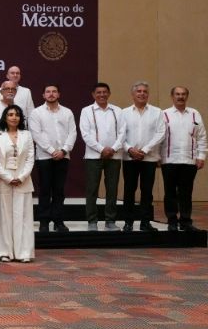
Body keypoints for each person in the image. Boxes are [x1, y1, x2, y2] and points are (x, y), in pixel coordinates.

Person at [28, 85, 77, 233]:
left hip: (63, 155)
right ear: (43, 95)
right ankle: (43, 221)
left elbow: (72, 133)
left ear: (59, 94)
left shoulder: (67, 112)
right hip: (44, 157)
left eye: (54, 91)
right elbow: (36, 134)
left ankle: (58, 221)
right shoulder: (36, 113)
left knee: (59, 190)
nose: (51, 94)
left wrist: (63, 150)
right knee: (44, 190)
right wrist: (51, 150)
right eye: (48, 92)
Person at [0, 105, 35, 262]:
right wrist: (8, 177)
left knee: (23, 216)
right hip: (3, 179)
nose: (14, 117)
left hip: (23, 179)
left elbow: (30, 158)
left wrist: (21, 177)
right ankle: (4, 251)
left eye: (17, 114)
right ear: (5, 117)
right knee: (4, 216)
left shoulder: (27, 135)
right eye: (10, 114)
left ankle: (24, 253)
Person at [120, 81, 165, 232]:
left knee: (147, 192)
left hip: (149, 158)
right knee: (129, 190)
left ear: (148, 94)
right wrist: (130, 149)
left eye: (145, 91)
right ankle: (128, 223)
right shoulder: (124, 113)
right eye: (138, 91)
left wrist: (144, 150)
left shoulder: (157, 112)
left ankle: (145, 222)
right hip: (129, 157)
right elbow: (120, 135)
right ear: (133, 94)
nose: (142, 93)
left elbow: (161, 133)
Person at [161, 86, 207, 232]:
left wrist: (201, 156)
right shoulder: (164, 114)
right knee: (170, 193)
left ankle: (186, 221)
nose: (180, 97)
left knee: (186, 193)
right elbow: (159, 137)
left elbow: (202, 137)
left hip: (189, 160)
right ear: (172, 96)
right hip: (169, 160)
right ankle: (172, 221)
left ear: (187, 96)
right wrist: (157, 157)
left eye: (183, 94)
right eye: (177, 94)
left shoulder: (195, 114)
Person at [79, 82, 125, 231]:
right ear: (93, 94)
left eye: (105, 92)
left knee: (112, 189)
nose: (102, 95)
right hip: (93, 156)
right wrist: (101, 149)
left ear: (109, 93)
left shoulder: (117, 111)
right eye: (98, 92)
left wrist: (113, 148)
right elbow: (85, 134)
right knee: (92, 189)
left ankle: (110, 221)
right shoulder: (86, 111)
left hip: (114, 156)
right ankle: (92, 221)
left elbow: (123, 133)